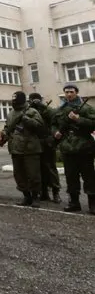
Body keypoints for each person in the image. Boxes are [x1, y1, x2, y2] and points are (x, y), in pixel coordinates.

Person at [51, 83, 95, 214]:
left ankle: (93, 204)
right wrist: (55, 132)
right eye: (66, 92)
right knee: (71, 177)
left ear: (76, 92)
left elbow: (93, 123)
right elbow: (53, 124)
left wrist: (78, 119)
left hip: (84, 147)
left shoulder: (86, 108)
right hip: (67, 148)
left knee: (89, 177)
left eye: (71, 92)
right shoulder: (60, 109)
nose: (69, 94)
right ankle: (74, 202)